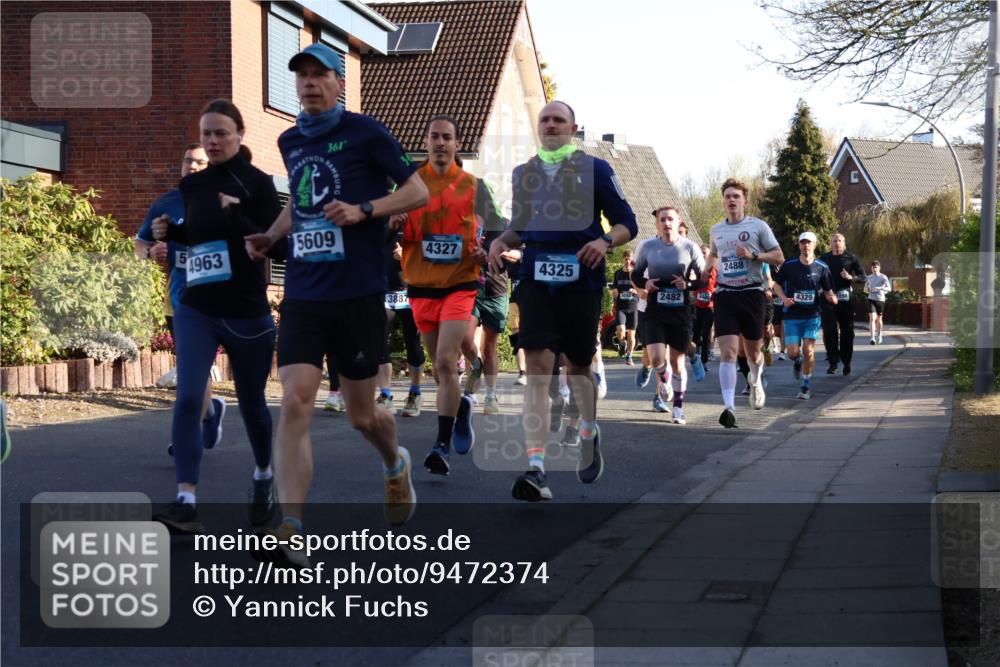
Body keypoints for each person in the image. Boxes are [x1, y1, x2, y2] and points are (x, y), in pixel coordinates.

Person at [245, 44, 428, 562]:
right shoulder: (288, 140)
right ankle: (292, 526)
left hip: (358, 293)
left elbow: (416, 194)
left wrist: (365, 208)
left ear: (339, 83)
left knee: (361, 417)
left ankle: (396, 466)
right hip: (304, 292)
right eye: (300, 75)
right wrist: (269, 236)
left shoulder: (367, 132)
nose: (308, 83)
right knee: (296, 398)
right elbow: (300, 206)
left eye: (319, 74)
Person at [488, 100, 637, 501]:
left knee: (578, 369)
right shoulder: (525, 174)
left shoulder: (595, 170)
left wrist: (604, 241)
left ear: (573, 128)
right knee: (538, 371)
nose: (551, 125)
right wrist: (503, 239)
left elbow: (628, 221)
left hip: (581, 282)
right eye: (545, 120)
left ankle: (588, 430)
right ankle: (535, 467)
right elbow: (522, 226)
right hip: (536, 281)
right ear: (538, 128)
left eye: (559, 120)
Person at [150, 100, 282, 534]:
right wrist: (171, 233)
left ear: (240, 135)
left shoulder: (259, 185)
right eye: (206, 133)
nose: (212, 140)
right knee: (188, 397)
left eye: (221, 132)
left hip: (246, 311)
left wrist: (237, 214)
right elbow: (199, 235)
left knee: (252, 403)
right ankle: (186, 499)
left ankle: (264, 475)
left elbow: (275, 245)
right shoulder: (194, 186)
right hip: (197, 306)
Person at [396, 115, 502, 476]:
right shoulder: (410, 185)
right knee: (439, 371)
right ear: (425, 143)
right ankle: (461, 410)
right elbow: (391, 225)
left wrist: (484, 251)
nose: (440, 143)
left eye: (447, 138)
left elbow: (499, 228)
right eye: (434, 137)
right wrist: (394, 225)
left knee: (444, 360)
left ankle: (440, 445)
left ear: (458, 145)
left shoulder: (474, 186)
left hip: (460, 284)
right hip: (421, 287)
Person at [136, 143, 223, 456]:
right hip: (180, 302)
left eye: (200, 162)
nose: (193, 166)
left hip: (217, 300)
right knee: (192, 371)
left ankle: (189, 432)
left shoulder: (225, 201)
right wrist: (150, 252)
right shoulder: (167, 203)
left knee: (193, 372)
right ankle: (209, 414)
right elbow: (140, 244)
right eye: (188, 161)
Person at [707, 178, 784, 428]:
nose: (731, 200)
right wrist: (698, 276)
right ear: (724, 201)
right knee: (728, 352)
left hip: (752, 294)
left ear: (744, 201)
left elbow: (778, 256)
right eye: (728, 196)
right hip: (725, 295)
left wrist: (754, 255)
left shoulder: (758, 226)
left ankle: (756, 381)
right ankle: (729, 407)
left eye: (736, 196)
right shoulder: (716, 230)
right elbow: (713, 258)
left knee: (753, 353)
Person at [631, 206, 706, 425]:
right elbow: (635, 274)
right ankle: (663, 380)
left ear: (678, 221)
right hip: (655, 308)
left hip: (681, 311)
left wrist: (688, 284)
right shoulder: (647, 246)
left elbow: (703, 279)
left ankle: (678, 409)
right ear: (657, 223)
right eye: (662, 220)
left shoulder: (690, 247)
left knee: (677, 362)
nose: (666, 223)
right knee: (656, 358)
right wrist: (645, 283)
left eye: (670, 219)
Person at [772, 231, 837, 400]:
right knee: (792, 353)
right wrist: (784, 299)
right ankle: (798, 360)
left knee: (809, 350)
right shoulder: (789, 264)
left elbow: (829, 289)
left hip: (812, 316)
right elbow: (775, 285)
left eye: (809, 243)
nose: (805, 246)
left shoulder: (822, 267)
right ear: (799, 245)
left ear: (814, 245)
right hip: (792, 316)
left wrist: (832, 297)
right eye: (803, 243)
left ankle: (805, 386)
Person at [376, 224, 426, 417]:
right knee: (380, 342)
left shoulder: (417, 219)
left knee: (413, 343)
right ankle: (385, 395)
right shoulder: (380, 217)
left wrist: (408, 254)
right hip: (384, 289)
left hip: (410, 290)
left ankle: (415, 392)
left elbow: (430, 252)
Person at [819, 233, 865, 375]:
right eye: (834, 241)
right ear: (831, 243)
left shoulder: (851, 258)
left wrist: (851, 277)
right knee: (829, 330)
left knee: (847, 331)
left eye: (840, 241)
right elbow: (815, 275)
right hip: (828, 296)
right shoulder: (823, 258)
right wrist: (819, 287)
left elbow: (863, 277)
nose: (837, 243)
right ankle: (833, 362)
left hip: (845, 297)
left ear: (844, 244)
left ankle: (846, 362)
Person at [691, 243, 717, 379]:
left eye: (704, 252)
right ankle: (696, 356)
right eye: (700, 252)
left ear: (709, 256)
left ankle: (704, 361)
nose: (702, 254)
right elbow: (691, 284)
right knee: (695, 335)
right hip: (698, 306)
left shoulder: (715, 270)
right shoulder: (696, 270)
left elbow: (719, 285)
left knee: (707, 335)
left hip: (710, 307)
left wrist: (714, 292)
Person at [611, 249, 639, 365]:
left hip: (633, 307)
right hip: (621, 307)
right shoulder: (618, 273)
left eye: (630, 259)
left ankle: (629, 356)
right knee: (621, 332)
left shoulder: (636, 274)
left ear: (633, 260)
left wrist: (635, 290)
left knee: (631, 334)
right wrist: (615, 290)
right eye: (626, 259)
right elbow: (614, 286)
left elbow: (642, 289)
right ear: (623, 259)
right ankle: (622, 343)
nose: (628, 262)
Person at [865, 261, 891, 344]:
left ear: (879, 268)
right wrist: (867, 289)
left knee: (879, 319)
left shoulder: (883, 277)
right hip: (871, 299)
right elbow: (865, 289)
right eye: (873, 267)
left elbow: (889, 288)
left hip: (880, 299)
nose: (874, 269)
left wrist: (879, 288)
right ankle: (872, 338)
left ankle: (879, 335)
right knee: (872, 318)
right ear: (871, 268)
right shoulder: (868, 277)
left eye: (876, 267)